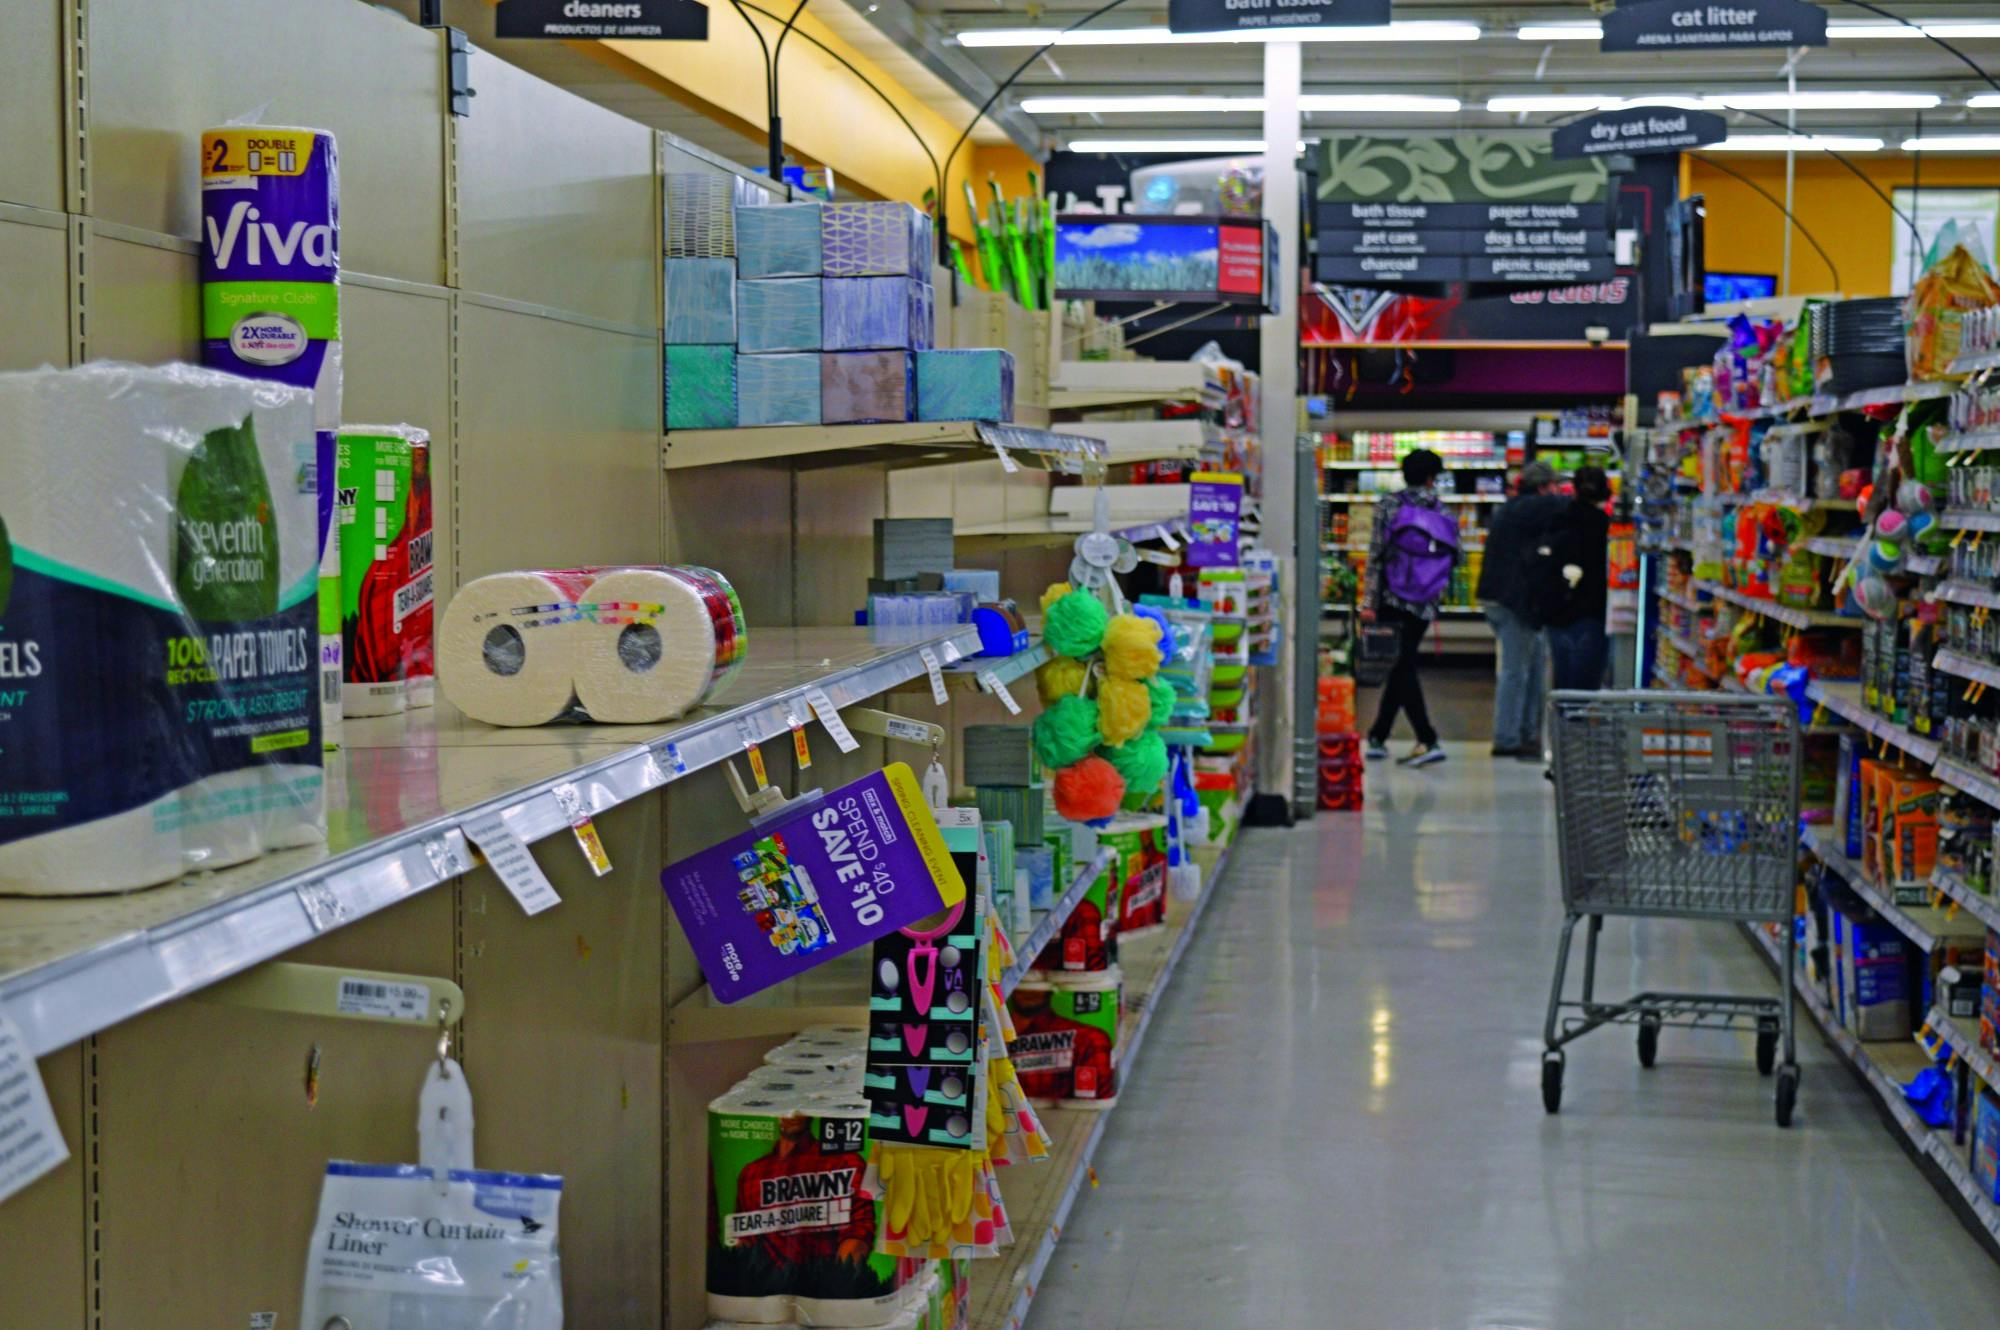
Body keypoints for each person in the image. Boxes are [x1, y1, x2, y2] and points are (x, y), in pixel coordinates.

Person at [1362, 448, 1460, 767]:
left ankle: (1427, 738)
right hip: (1425, 602)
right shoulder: (1444, 511)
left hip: (1392, 598)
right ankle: (1378, 736)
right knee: (1401, 663)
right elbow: (1454, 559)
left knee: (1400, 665)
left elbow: (1376, 556)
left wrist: (1369, 602)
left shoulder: (1388, 506)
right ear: (1432, 477)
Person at [1476, 460, 1567, 759]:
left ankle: (1527, 733)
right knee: (1515, 671)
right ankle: (1506, 738)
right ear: (1543, 487)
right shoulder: (1526, 507)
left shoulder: (1514, 510)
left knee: (1533, 668)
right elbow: (1562, 506)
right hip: (1511, 601)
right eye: (1553, 485)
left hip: (1509, 599)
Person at [1538, 465, 1613, 691]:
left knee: (1562, 682)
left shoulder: (1555, 520)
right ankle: (1577, 723)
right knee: (1585, 686)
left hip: (1557, 610)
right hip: (1592, 611)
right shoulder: (1605, 526)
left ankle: (1562, 724)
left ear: (1574, 491)